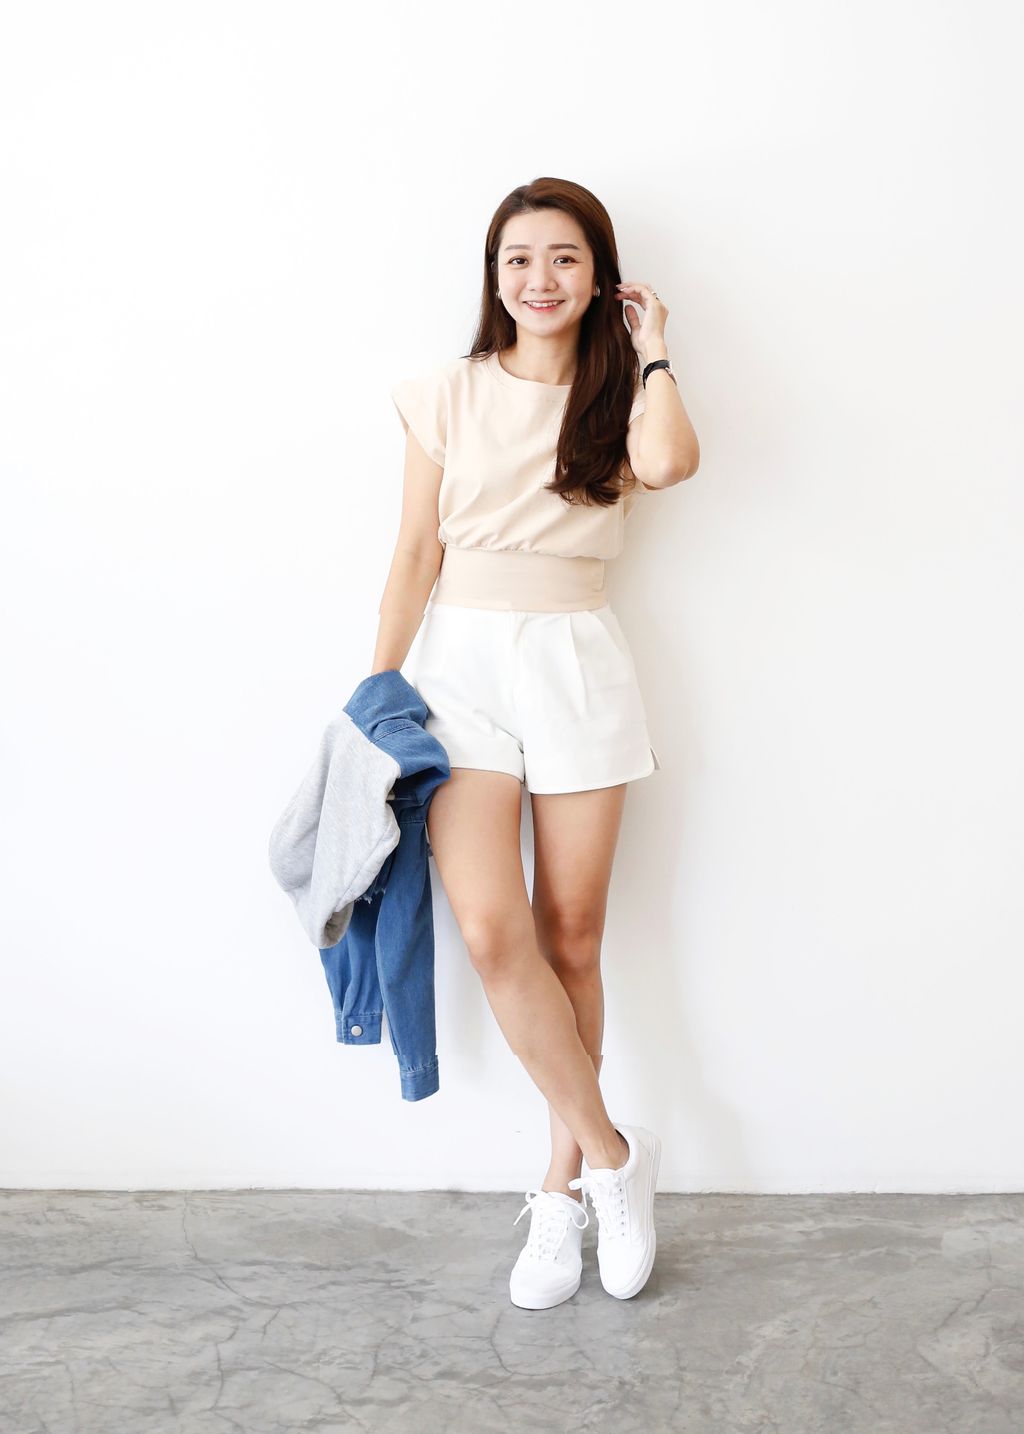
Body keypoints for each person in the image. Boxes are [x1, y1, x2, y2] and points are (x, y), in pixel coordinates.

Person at [373, 177, 700, 1308]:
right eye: (518, 259)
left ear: (599, 277)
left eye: (564, 258)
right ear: (493, 275)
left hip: (575, 660)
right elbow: (414, 552)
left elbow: (671, 465)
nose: (539, 278)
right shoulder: (445, 394)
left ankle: (558, 1191)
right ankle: (614, 1155)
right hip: (458, 668)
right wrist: (378, 688)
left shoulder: (622, 398)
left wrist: (653, 350)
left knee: (571, 935)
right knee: (490, 928)